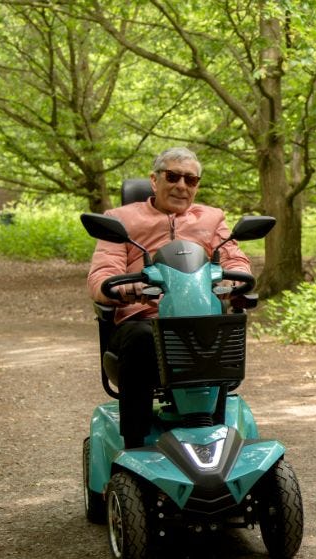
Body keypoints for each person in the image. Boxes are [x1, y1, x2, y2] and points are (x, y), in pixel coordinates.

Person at [87, 147, 251, 449]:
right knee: (142, 340)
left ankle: (214, 437)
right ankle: (134, 445)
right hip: (143, 319)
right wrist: (124, 289)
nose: (182, 185)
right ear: (154, 180)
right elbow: (101, 276)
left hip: (199, 317)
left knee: (220, 332)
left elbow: (235, 259)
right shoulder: (120, 220)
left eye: (191, 180)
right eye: (173, 176)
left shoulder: (212, 219)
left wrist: (235, 278)